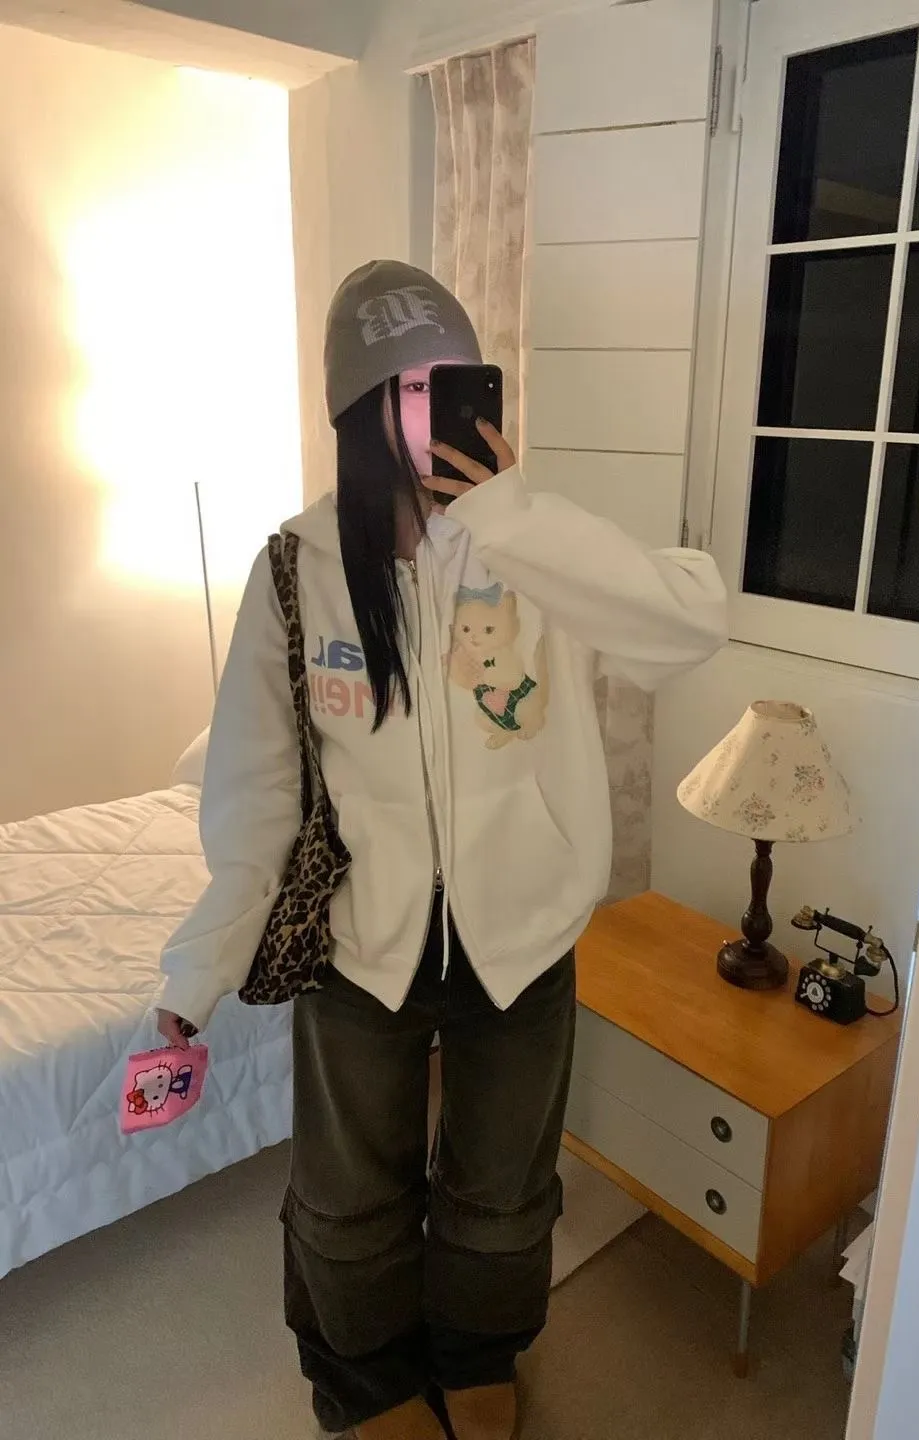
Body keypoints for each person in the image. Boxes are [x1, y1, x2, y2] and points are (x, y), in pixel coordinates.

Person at [156, 260, 727, 1440]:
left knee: (502, 1192)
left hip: (519, 939)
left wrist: (511, 521)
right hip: (360, 947)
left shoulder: (536, 546)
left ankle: (476, 1351)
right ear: (356, 410)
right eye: (407, 389)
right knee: (347, 1197)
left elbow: (686, 629)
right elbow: (256, 797)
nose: (435, 411)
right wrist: (194, 971)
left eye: (454, 381)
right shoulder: (294, 571)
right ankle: (363, 1379)